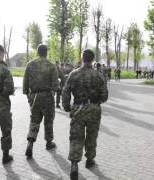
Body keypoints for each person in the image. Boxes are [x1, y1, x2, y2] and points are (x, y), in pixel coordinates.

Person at [62, 49, 108, 180]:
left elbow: (66, 92)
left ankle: (74, 165)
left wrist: (67, 107)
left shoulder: (73, 74)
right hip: (94, 109)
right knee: (92, 136)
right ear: (92, 60)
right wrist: (96, 101)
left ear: (82, 58)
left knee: (76, 137)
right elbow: (105, 96)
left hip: (78, 109)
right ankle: (89, 160)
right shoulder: (99, 75)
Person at [23, 44, 58, 158]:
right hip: (47, 95)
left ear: (37, 52)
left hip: (34, 96)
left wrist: (28, 95)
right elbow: (55, 85)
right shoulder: (51, 65)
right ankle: (48, 142)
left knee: (34, 119)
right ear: (46, 52)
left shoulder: (30, 64)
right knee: (48, 120)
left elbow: (25, 82)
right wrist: (54, 91)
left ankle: (30, 143)